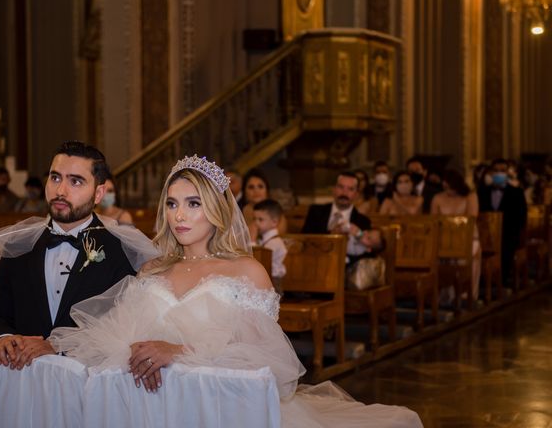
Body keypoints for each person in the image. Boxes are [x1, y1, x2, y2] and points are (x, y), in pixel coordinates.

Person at [49, 155, 422, 427]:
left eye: (194, 204)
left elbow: (266, 361)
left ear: (215, 210)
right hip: (149, 405)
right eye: (173, 204)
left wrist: (179, 352)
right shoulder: (151, 270)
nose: (180, 216)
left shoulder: (246, 272)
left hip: (219, 408)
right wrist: (131, 349)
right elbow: (113, 334)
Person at [0, 141, 157, 370]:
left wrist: (60, 347)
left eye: (76, 181)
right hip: (23, 379)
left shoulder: (121, 252)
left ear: (99, 193)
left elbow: (124, 334)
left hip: (87, 386)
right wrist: (2, 338)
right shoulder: (18, 246)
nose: (60, 190)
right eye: (55, 178)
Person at [431, 168, 481, 303]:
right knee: (436, 254)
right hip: (444, 237)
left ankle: (465, 294)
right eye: (445, 186)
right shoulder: (437, 198)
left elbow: (472, 218)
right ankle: (445, 294)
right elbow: (433, 220)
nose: (448, 191)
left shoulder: (470, 196)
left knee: (465, 253)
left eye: (450, 187)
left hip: (467, 236)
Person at [477, 158, 527, 286]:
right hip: (486, 234)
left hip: (508, 234)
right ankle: (483, 281)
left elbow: (521, 217)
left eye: (503, 171)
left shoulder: (516, 192)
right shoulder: (482, 191)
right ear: (491, 173)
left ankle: (501, 282)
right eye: (496, 170)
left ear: (507, 173)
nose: (499, 173)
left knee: (506, 250)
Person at [301, 171, 372, 235]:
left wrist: (357, 234)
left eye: (350, 189)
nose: (344, 193)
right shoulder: (315, 212)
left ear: (356, 194)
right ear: (334, 190)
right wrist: (330, 234)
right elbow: (304, 239)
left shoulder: (363, 222)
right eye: (341, 187)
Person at [239, 168, 287, 241]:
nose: (256, 190)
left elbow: (277, 237)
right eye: (251, 187)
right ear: (244, 192)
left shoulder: (275, 211)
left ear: (267, 191)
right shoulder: (238, 211)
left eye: (260, 186)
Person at [253, 199, 287, 293]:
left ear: (274, 222)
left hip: (273, 285)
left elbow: (259, 260)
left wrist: (252, 241)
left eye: (260, 219)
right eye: (254, 219)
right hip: (267, 280)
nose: (256, 223)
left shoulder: (274, 242)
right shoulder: (265, 240)